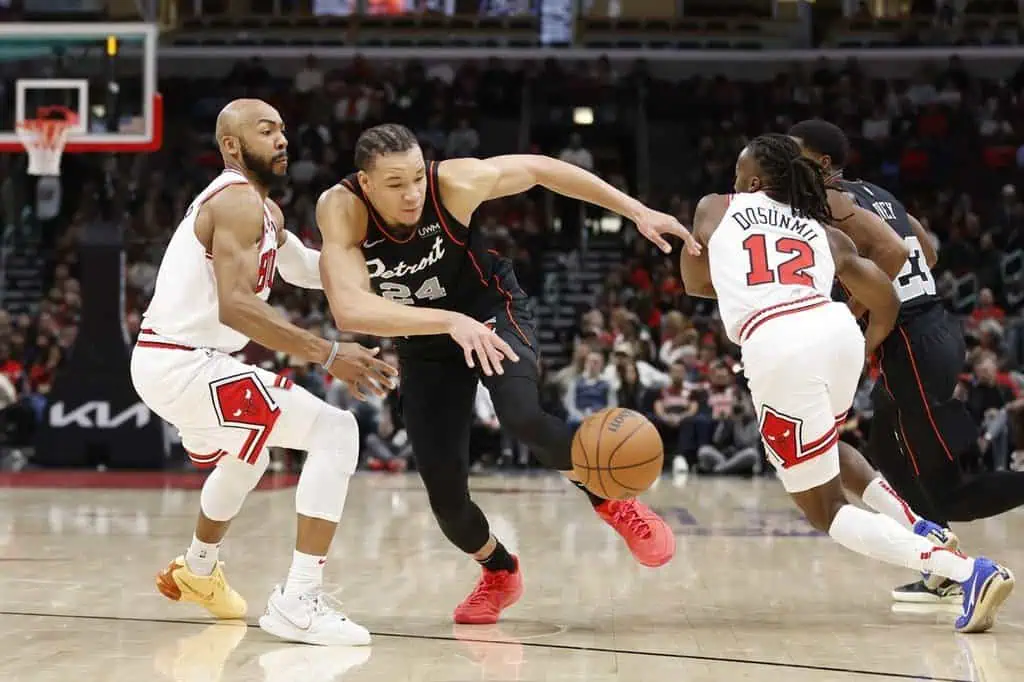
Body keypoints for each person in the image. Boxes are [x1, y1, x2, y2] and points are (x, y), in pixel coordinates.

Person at [315, 123, 697, 624]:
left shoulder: (453, 183)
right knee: (447, 500)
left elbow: (541, 170)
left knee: (519, 415)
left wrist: (636, 210)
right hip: (427, 339)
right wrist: (450, 323)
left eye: (414, 178)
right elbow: (349, 310)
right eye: (393, 184)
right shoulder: (340, 210)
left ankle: (611, 501)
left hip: (491, 309)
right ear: (365, 183)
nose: (411, 195)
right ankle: (498, 570)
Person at [678, 133, 1014, 634]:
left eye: (736, 173)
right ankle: (923, 530)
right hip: (836, 332)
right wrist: (864, 338)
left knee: (825, 508)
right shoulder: (823, 228)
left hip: (778, 341)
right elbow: (886, 294)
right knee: (830, 448)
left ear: (750, 181)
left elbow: (694, 282)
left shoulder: (717, 206)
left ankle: (967, 573)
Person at [131, 99, 397, 646]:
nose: (282, 139)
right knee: (335, 431)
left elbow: (303, 266)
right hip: (183, 361)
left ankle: (197, 570)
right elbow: (237, 307)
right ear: (232, 145)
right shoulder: (235, 202)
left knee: (245, 456)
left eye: (282, 129)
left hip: (184, 362)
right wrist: (328, 352)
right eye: (266, 130)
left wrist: (382, 275)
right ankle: (299, 601)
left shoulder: (265, 211)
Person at [791, 118, 1024, 603]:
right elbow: (930, 253)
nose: (787, 161)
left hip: (912, 338)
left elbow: (894, 264)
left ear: (822, 163)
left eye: (796, 153)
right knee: (885, 445)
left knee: (947, 491)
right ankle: (935, 558)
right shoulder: (875, 192)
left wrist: (855, 312)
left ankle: (953, 565)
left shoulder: (831, 201)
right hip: (932, 330)